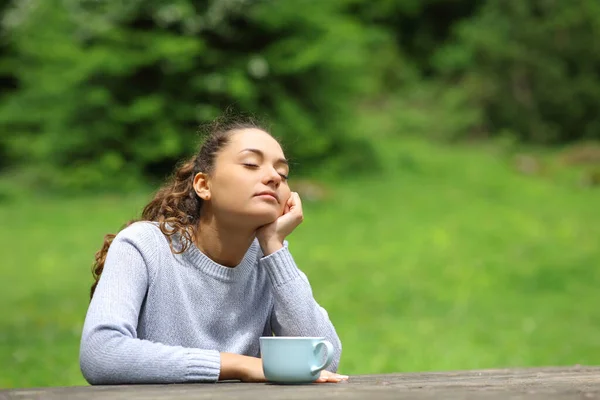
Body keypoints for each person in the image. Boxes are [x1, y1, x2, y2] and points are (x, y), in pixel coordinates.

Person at [79, 116, 347, 384]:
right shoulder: (143, 246)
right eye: (251, 164)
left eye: (283, 173)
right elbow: (100, 353)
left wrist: (274, 247)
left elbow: (323, 360)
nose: (274, 177)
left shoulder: (268, 263)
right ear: (203, 185)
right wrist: (238, 365)